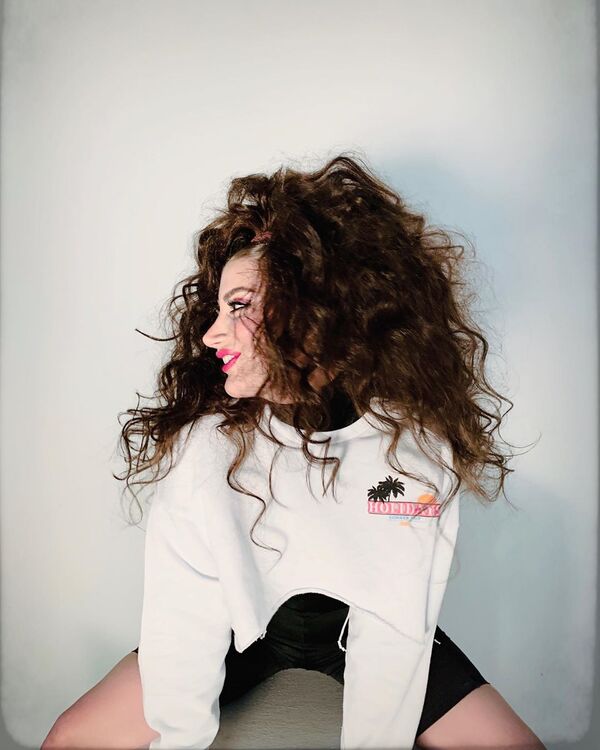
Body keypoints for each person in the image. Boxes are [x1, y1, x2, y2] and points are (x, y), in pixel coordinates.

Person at [41, 154, 545, 749]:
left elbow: (394, 622)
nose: (210, 334)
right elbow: (185, 619)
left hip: (363, 626)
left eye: (238, 306)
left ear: (315, 309)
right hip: (242, 626)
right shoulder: (211, 448)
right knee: (68, 740)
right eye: (218, 307)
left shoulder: (413, 451)